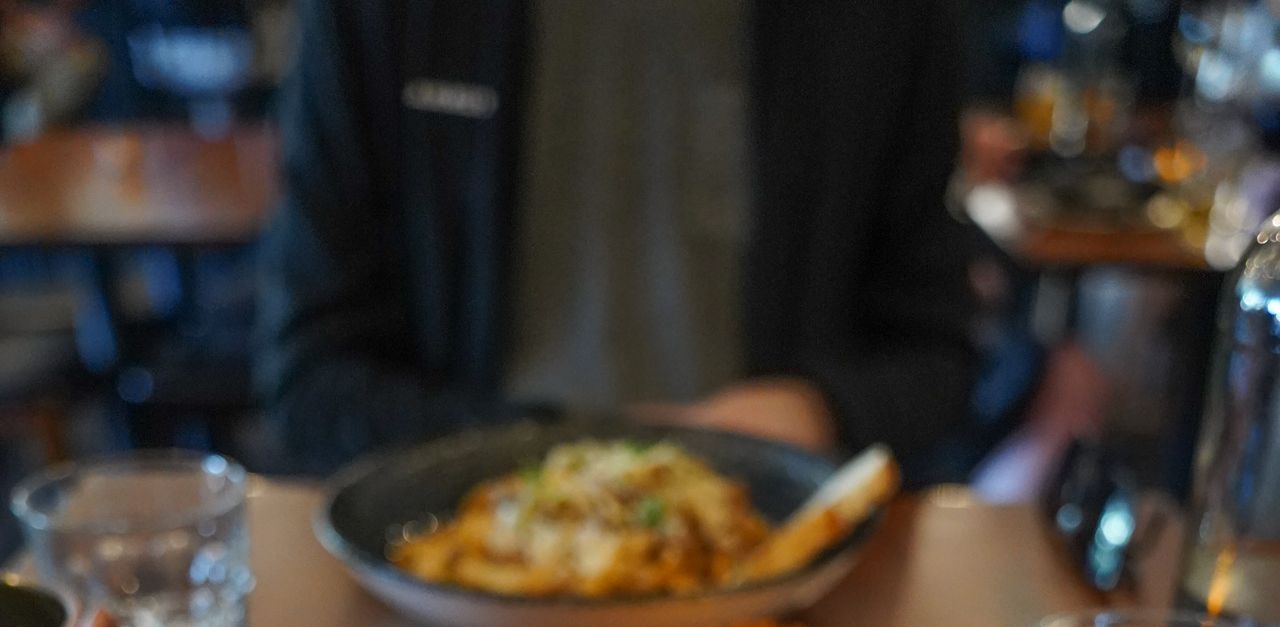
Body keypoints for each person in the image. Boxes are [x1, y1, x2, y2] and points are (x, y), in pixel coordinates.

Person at [256, 0, 978, 475]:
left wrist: (818, 411)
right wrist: (543, 453)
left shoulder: (886, 22)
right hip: (458, 554)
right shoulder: (380, 16)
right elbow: (311, 374)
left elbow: (936, 351)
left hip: (781, 568)